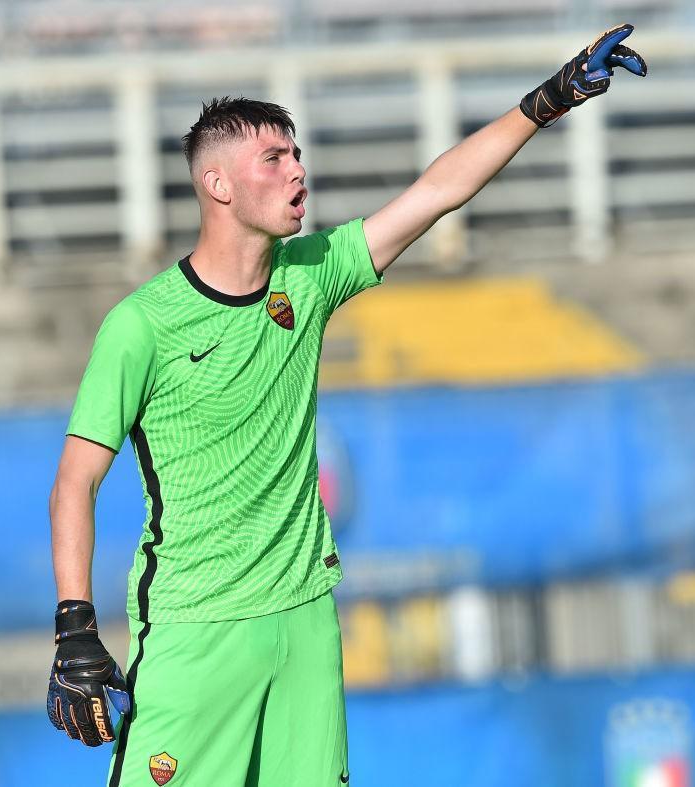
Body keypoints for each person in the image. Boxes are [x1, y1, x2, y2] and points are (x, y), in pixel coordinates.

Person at [46, 23, 646, 787]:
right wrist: (74, 627)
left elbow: (437, 192)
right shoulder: (141, 326)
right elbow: (75, 482)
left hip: (304, 616)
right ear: (218, 184)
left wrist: (548, 101)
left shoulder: (312, 273)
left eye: (298, 154)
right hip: (196, 631)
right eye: (276, 158)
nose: (299, 172)